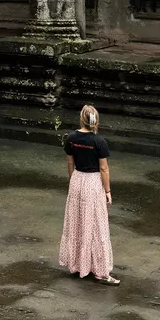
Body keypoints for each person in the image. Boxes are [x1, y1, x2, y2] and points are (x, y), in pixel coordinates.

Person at [58, 103, 120, 285]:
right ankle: (101, 271)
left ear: (81, 118)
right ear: (95, 120)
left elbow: (70, 163)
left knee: (78, 223)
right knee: (97, 226)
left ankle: (79, 264)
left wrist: (73, 181)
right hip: (93, 182)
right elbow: (104, 168)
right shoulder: (98, 141)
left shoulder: (71, 138)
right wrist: (107, 190)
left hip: (77, 179)